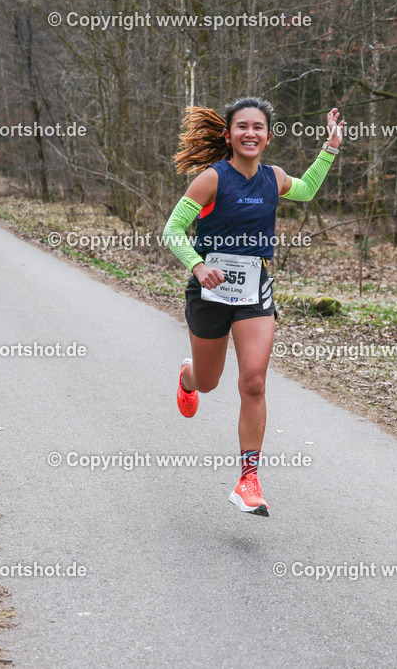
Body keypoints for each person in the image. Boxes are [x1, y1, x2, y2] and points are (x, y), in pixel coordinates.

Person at [164, 97, 343, 517]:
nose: (250, 133)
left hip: (255, 289)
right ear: (228, 136)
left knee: (255, 382)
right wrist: (197, 264)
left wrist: (329, 148)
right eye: (241, 126)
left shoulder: (273, 178)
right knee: (208, 381)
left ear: (267, 135)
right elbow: (173, 230)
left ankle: (248, 479)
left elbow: (309, 189)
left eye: (258, 127)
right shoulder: (211, 179)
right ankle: (188, 378)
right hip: (209, 290)